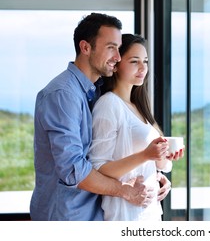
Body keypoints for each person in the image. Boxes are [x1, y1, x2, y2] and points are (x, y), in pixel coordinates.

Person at [30, 13, 172, 221]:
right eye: (111, 47)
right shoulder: (63, 95)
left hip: (92, 213)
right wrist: (125, 190)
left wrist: (154, 175)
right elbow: (73, 169)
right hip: (66, 217)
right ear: (86, 48)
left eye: (118, 47)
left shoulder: (94, 90)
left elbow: (109, 152)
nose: (117, 56)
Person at [88, 33, 184, 221]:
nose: (143, 68)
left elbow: (152, 163)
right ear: (116, 65)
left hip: (149, 212)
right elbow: (98, 168)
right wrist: (146, 155)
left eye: (145, 61)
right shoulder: (109, 105)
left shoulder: (137, 106)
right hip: (126, 215)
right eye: (134, 61)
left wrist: (162, 161)